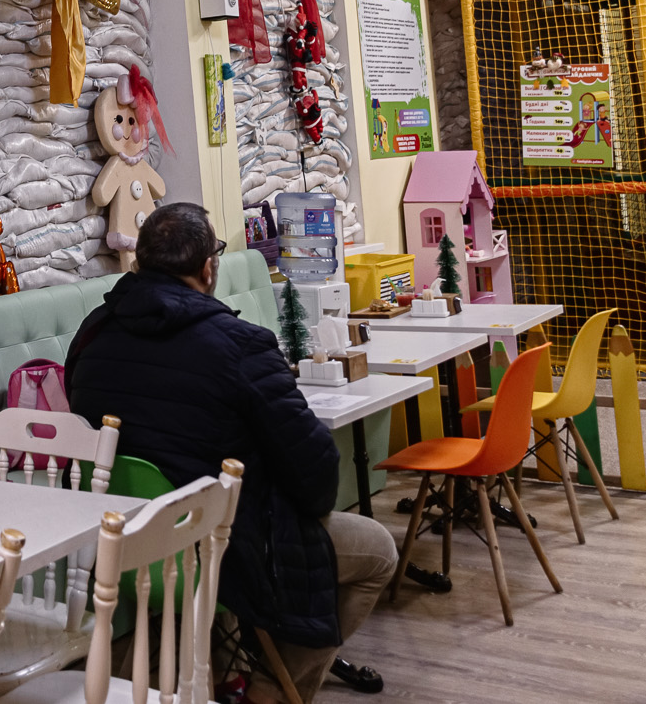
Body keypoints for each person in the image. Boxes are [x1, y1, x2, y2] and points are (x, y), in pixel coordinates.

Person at [65, 202, 397, 699]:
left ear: (139, 262)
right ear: (208, 268)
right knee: (378, 551)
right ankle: (270, 691)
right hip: (220, 548)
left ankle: (226, 672)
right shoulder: (241, 345)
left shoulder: (91, 334)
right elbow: (317, 482)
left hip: (121, 545)